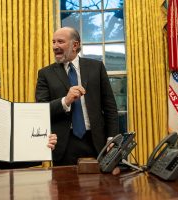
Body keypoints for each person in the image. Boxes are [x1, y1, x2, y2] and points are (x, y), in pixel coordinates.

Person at [35, 27, 119, 166]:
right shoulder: (45, 74)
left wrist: (112, 138)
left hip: (96, 142)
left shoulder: (96, 67)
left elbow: (110, 107)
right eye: (53, 42)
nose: (55, 46)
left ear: (75, 45)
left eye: (60, 42)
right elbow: (41, 110)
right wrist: (65, 101)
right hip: (64, 146)